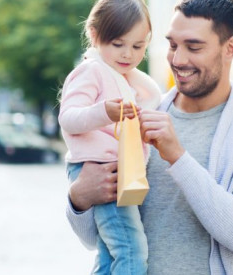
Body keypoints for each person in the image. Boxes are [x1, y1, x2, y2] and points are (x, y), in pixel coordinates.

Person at [66, 0, 233, 274]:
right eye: (172, 45)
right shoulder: (137, 113)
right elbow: (93, 239)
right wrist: (79, 198)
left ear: (230, 48)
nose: (178, 59)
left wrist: (178, 157)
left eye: (193, 47)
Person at [58, 0, 161, 273]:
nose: (128, 54)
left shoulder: (124, 77)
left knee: (108, 255)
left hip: (113, 170)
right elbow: (67, 118)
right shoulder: (91, 71)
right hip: (100, 169)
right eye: (118, 44)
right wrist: (104, 111)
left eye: (138, 46)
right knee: (132, 251)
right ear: (94, 36)